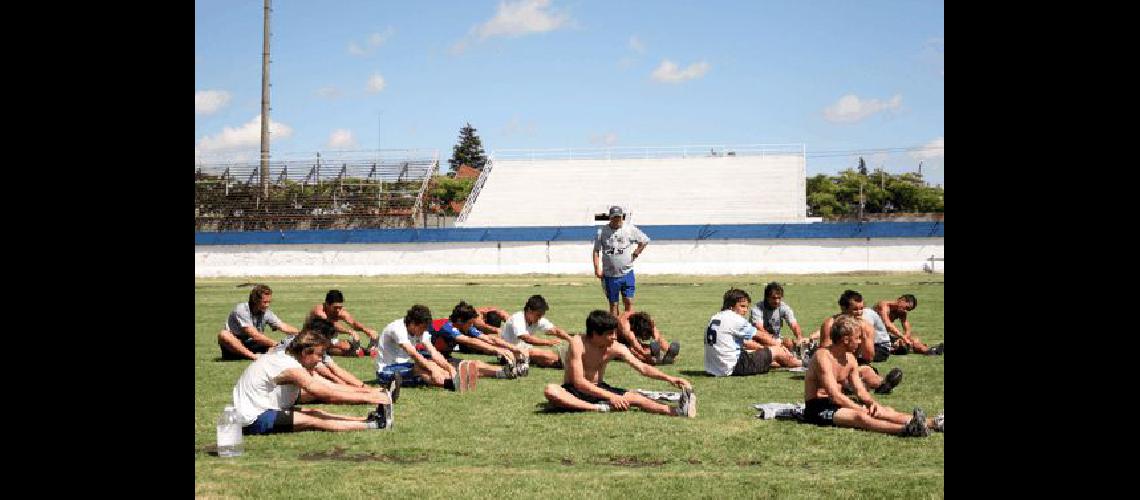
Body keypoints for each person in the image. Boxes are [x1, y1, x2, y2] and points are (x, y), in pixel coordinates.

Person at [801, 315, 942, 436]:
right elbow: (834, 395)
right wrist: (860, 408)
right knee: (860, 416)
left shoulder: (850, 359)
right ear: (845, 339)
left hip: (839, 404)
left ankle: (935, 423)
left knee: (883, 411)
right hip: (818, 408)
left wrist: (872, 403)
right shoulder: (822, 356)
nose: (860, 341)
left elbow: (860, 391)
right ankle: (907, 429)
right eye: (857, 338)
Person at [232, 331, 395, 434]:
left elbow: (332, 387)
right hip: (254, 418)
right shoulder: (288, 366)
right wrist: (371, 399)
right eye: (319, 355)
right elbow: (326, 394)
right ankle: (376, 425)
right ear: (304, 352)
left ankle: (365, 420)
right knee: (314, 420)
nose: (319, 360)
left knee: (316, 411)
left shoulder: (292, 361)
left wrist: (374, 393)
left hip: (262, 409)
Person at [543, 310, 696, 417]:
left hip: (600, 388)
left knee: (636, 398)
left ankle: (677, 411)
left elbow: (642, 367)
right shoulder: (578, 343)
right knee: (551, 391)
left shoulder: (615, 347)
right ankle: (598, 408)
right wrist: (611, 397)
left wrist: (669, 378)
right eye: (610, 334)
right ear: (595, 334)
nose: (615, 337)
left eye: (615, 332)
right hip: (574, 390)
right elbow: (579, 382)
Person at [272, 318, 398, 404]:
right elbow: (329, 373)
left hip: (287, 385)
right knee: (328, 389)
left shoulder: (304, 341)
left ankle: (379, 393)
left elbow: (335, 370)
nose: (329, 344)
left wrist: (364, 387)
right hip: (279, 392)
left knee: (327, 384)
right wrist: (346, 386)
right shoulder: (307, 347)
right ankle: (377, 397)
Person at [813, 290, 904, 395]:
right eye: (855, 309)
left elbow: (868, 357)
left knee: (866, 371)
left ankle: (883, 384)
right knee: (850, 375)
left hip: (855, 363)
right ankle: (851, 386)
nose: (860, 312)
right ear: (843, 308)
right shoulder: (830, 324)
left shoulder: (866, 326)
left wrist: (864, 338)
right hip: (833, 364)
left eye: (861, 308)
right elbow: (823, 352)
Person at [375, 305, 478, 392]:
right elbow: (414, 354)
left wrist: (450, 369)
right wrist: (433, 370)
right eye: (423, 328)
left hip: (403, 367)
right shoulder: (397, 329)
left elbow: (434, 353)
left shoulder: (419, 329)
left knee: (431, 363)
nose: (424, 331)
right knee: (421, 368)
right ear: (413, 324)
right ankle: (451, 384)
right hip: (385, 372)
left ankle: (456, 380)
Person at [704, 289, 802, 377]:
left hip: (714, 369)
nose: (745, 310)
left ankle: (780, 359)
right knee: (777, 351)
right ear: (731, 306)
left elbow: (745, 343)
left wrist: (766, 350)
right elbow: (760, 335)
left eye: (746, 307)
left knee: (766, 354)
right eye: (742, 306)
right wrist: (779, 347)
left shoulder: (715, 317)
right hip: (733, 367)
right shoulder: (735, 319)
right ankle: (804, 364)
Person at [424, 301, 524, 380]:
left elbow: (489, 339)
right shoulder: (446, 326)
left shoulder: (464, 326)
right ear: (459, 320)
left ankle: (507, 372)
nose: (471, 326)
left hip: (444, 357)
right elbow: (470, 341)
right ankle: (505, 372)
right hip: (427, 358)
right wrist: (498, 350)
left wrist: (514, 348)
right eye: (470, 323)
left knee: (475, 364)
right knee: (469, 366)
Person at [593, 205, 650, 317]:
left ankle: (628, 328)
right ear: (610, 218)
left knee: (628, 301)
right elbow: (596, 251)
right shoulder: (602, 232)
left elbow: (644, 240)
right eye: (614, 217)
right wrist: (597, 269)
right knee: (613, 304)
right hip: (610, 275)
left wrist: (636, 253)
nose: (617, 220)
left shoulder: (629, 229)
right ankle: (615, 331)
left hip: (626, 273)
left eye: (619, 217)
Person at [218, 284, 300, 360]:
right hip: (234, 348)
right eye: (264, 302)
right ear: (255, 300)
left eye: (269, 302)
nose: (267, 305)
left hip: (253, 345)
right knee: (224, 335)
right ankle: (254, 357)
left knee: (278, 346)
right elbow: (255, 336)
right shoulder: (242, 310)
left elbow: (283, 327)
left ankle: (273, 354)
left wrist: (302, 334)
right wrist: (278, 345)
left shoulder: (265, 312)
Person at [500, 295, 572, 370]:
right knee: (545, 355)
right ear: (529, 310)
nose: (540, 318)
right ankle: (566, 364)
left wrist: (570, 340)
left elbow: (556, 331)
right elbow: (526, 338)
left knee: (549, 355)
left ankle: (563, 363)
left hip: (524, 349)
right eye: (538, 315)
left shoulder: (537, 319)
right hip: (509, 351)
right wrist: (548, 342)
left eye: (541, 315)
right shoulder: (517, 318)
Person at [304, 290, 380, 357]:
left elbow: (353, 323)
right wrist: (350, 332)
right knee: (345, 347)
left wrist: (366, 330)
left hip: (327, 339)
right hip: (312, 339)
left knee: (348, 347)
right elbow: (332, 325)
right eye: (335, 307)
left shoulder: (340, 311)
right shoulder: (319, 312)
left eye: (340, 307)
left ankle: (365, 351)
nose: (338, 310)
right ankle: (363, 352)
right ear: (327, 304)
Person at [873, 295, 943, 355]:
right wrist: (903, 338)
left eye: (909, 309)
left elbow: (907, 330)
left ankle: (930, 351)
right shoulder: (883, 305)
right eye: (906, 307)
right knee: (905, 343)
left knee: (914, 340)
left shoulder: (902, 312)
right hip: (872, 335)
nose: (906, 311)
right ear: (901, 300)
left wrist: (904, 338)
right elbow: (888, 325)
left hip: (884, 335)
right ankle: (926, 350)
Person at [749, 282, 806, 353]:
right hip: (758, 339)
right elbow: (760, 329)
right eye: (774, 298)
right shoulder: (757, 309)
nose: (777, 301)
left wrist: (799, 337)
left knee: (789, 343)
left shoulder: (783, 307)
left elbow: (794, 325)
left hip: (776, 339)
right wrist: (775, 342)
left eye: (779, 298)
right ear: (766, 297)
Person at [616, 311, 680, 365]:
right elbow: (637, 348)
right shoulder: (626, 328)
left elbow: (658, 338)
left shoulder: (648, 321)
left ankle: (668, 355)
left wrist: (668, 351)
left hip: (629, 340)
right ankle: (655, 359)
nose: (646, 338)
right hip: (615, 342)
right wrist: (648, 358)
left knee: (649, 346)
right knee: (632, 350)